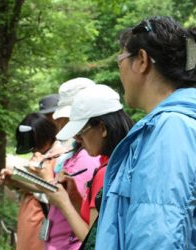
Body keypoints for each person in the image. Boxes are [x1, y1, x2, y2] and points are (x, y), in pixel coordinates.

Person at [95, 16, 196, 249]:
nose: (119, 71)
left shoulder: (171, 131)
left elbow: (157, 237)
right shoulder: (179, 125)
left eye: (120, 59)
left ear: (141, 60)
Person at [43, 84, 133, 249]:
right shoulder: (126, 160)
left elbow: (95, 240)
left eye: (80, 132)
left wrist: (64, 203)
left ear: (103, 128)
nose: (77, 139)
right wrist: (75, 197)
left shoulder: (106, 172)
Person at [36, 77, 100, 250]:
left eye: (67, 118)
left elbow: (89, 227)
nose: (59, 123)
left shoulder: (89, 157)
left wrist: (48, 180)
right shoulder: (75, 151)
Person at [0, 112, 58, 250]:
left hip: (43, 225)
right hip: (29, 224)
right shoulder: (40, 156)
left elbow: (52, 193)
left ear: (47, 137)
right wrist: (15, 183)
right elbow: (34, 186)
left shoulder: (58, 159)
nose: (34, 151)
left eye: (37, 145)